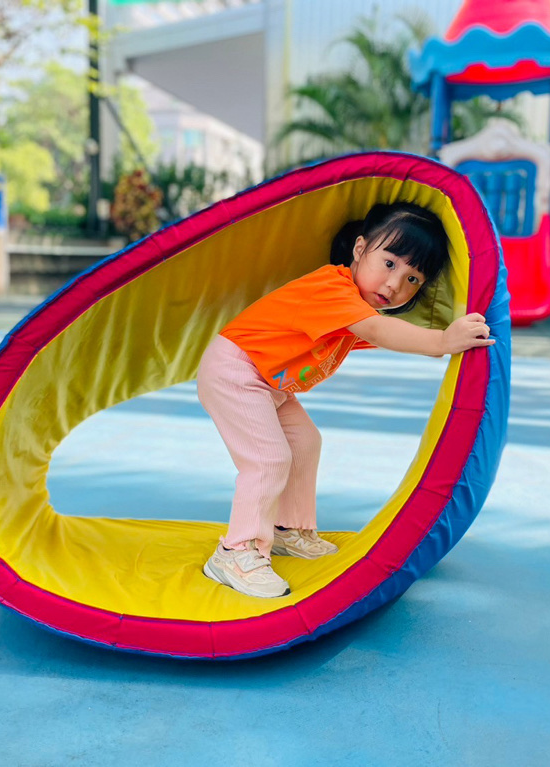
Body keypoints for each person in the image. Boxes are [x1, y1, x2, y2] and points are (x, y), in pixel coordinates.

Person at [198, 201, 494, 598]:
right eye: (389, 263)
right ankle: (236, 552)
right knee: (268, 459)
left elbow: (390, 332)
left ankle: (286, 528)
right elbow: (380, 331)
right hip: (236, 370)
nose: (394, 285)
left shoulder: (356, 308)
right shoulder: (332, 288)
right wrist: (442, 340)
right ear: (359, 249)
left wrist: (455, 331)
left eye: (413, 279)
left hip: (269, 383)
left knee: (305, 443)